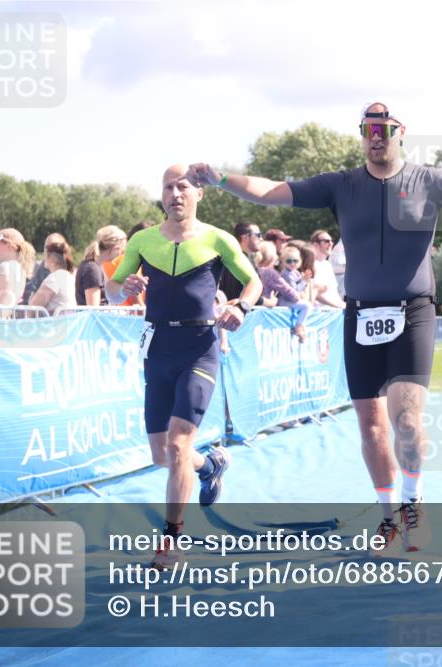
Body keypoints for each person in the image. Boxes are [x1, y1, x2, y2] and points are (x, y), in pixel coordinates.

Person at [186, 100, 442, 553]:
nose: (376, 136)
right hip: (361, 313)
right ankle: (389, 517)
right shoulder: (341, 185)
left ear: (400, 133)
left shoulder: (427, 180)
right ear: (363, 136)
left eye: (384, 129)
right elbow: (270, 190)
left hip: (413, 309)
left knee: (408, 421)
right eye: (368, 129)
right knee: (373, 429)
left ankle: (415, 505)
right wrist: (220, 179)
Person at [105, 164, 261, 570]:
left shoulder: (217, 239)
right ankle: (211, 465)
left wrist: (240, 306)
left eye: (183, 187)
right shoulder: (141, 240)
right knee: (163, 455)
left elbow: (254, 282)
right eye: (168, 187)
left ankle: (171, 544)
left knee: (177, 446)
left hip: (199, 348)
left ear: (199, 194)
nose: (175, 193)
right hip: (157, 349)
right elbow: (110, 290)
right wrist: (125, 287)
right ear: (161, 195)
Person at [255, 240, 307, 340]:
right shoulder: (270, 273)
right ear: (272, 257)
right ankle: (299, 327)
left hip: (254, 312)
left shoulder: (253, 269)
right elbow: (293, 296)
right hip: (265, 315)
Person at [77, 225, 127, 307]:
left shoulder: (94, 266)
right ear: (116, 248)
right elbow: (93, 309)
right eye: (122, 251)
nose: (120, 255)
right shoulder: (92, 269)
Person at [0, 228, 35, 308]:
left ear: (9, 246)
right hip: (8, 318)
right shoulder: (21, 270)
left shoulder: (6, 267)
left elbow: (5, 302)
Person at [29, 241, 77, 315]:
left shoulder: (54, 279)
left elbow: (34, 307)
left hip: (55, 324)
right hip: (68, 322)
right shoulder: (69, 276)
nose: (43, 259)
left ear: (52, 258)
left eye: (45, 255)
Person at [219, 221, 261, 301]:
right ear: (245, 238)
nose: (261, 238)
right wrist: (270, 302)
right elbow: (236, 295)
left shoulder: (245, 259)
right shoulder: (236, 261)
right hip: (236, 310)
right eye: (258, 235)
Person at [21, 232, 66, 305]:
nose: (48, 252)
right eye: (47, 248)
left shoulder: (60, 276)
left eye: (54, 248)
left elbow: (33, 306)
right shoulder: (35, 269)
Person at [310, 229, 346, 308]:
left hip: (333, 313)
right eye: (326, 241)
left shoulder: (327, 265)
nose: (331, 243)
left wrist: (343, 305)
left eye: (331, 241)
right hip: (319, 314)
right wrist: (338, 306)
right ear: (315, 245)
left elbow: (333, 293)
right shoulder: (310, 265)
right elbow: (315, 294)